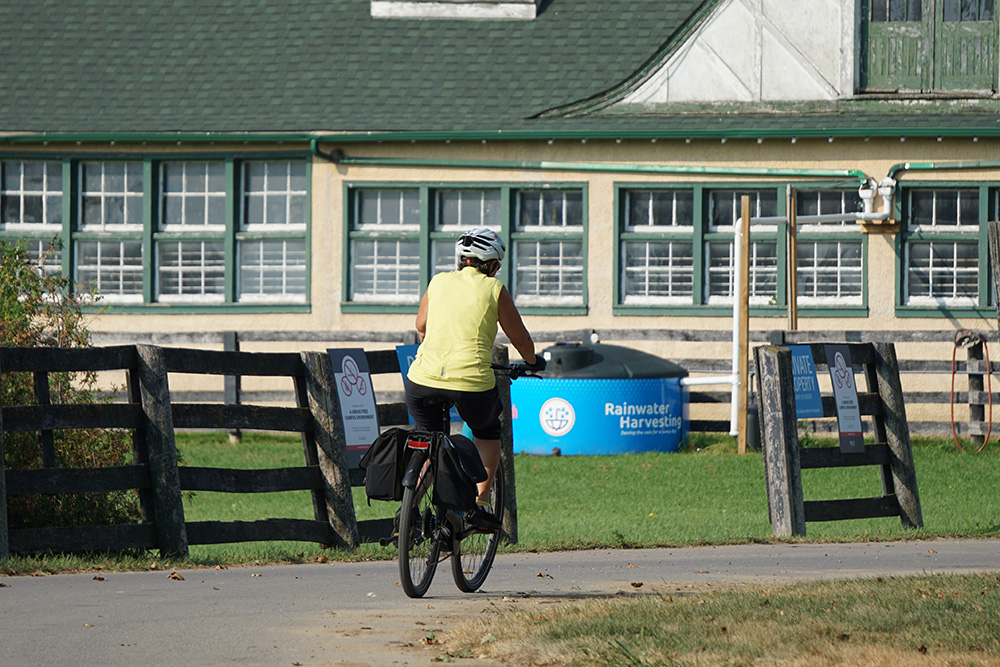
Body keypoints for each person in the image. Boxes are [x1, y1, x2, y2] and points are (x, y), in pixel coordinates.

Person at [405, 227, 544, 532]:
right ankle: (480, 503)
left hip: (421, 377)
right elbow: (519, 338)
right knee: (488, 432)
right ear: (493, 264)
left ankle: (406, 512)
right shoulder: (494, 290)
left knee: (428, 438)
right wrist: (533, 361)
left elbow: (420, 324)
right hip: (470, 382)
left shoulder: (438, 281)